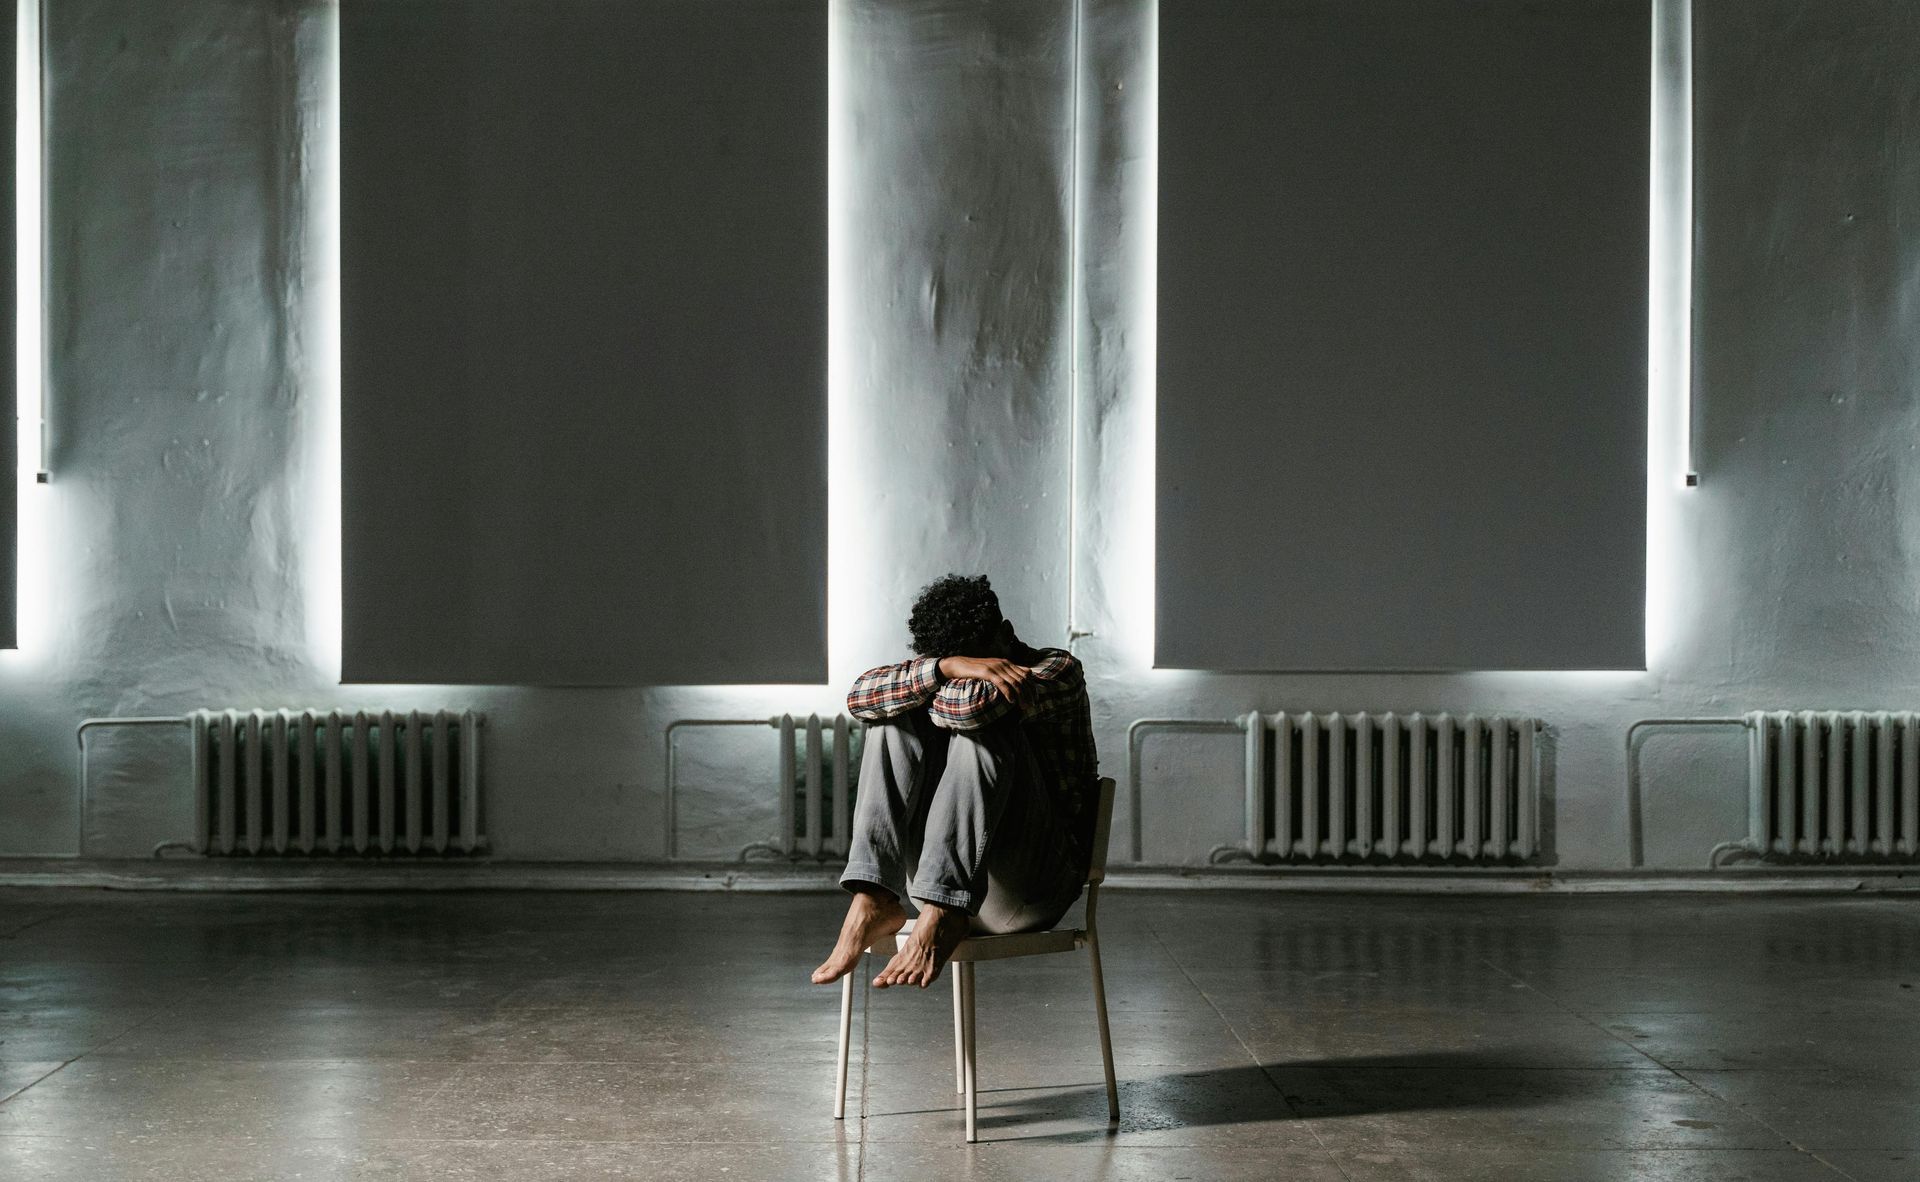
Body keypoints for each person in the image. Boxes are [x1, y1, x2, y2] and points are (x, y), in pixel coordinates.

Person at [810, 573, 1099, 991]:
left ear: (1006, 634)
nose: (971, 674)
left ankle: (945, 909)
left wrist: (934, 678)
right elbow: (859, 697)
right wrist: (945, 667)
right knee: (890, 722)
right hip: (936, 886)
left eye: (980, 660)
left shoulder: (1058, 668)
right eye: (957, 664)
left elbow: (979, 709)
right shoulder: (945, 668)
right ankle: (874, 895)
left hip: (1031, 890)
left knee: (988, 726)